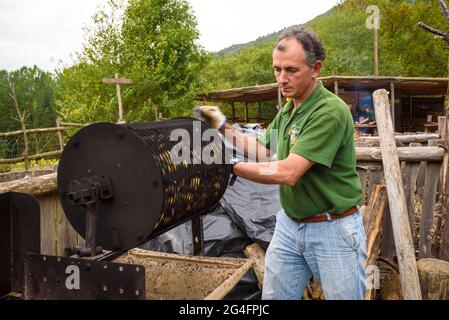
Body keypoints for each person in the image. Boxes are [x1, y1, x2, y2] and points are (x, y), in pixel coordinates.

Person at [198, 27, 366, 300]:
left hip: (332, 229)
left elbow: (288, 172)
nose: (281, 79)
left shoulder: (329, 112)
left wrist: (229, 168)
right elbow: (264, 150)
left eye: (291, 70)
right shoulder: (290, 108)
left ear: (315, 68)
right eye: (277, 70)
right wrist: (222, 126)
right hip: (289, 224)